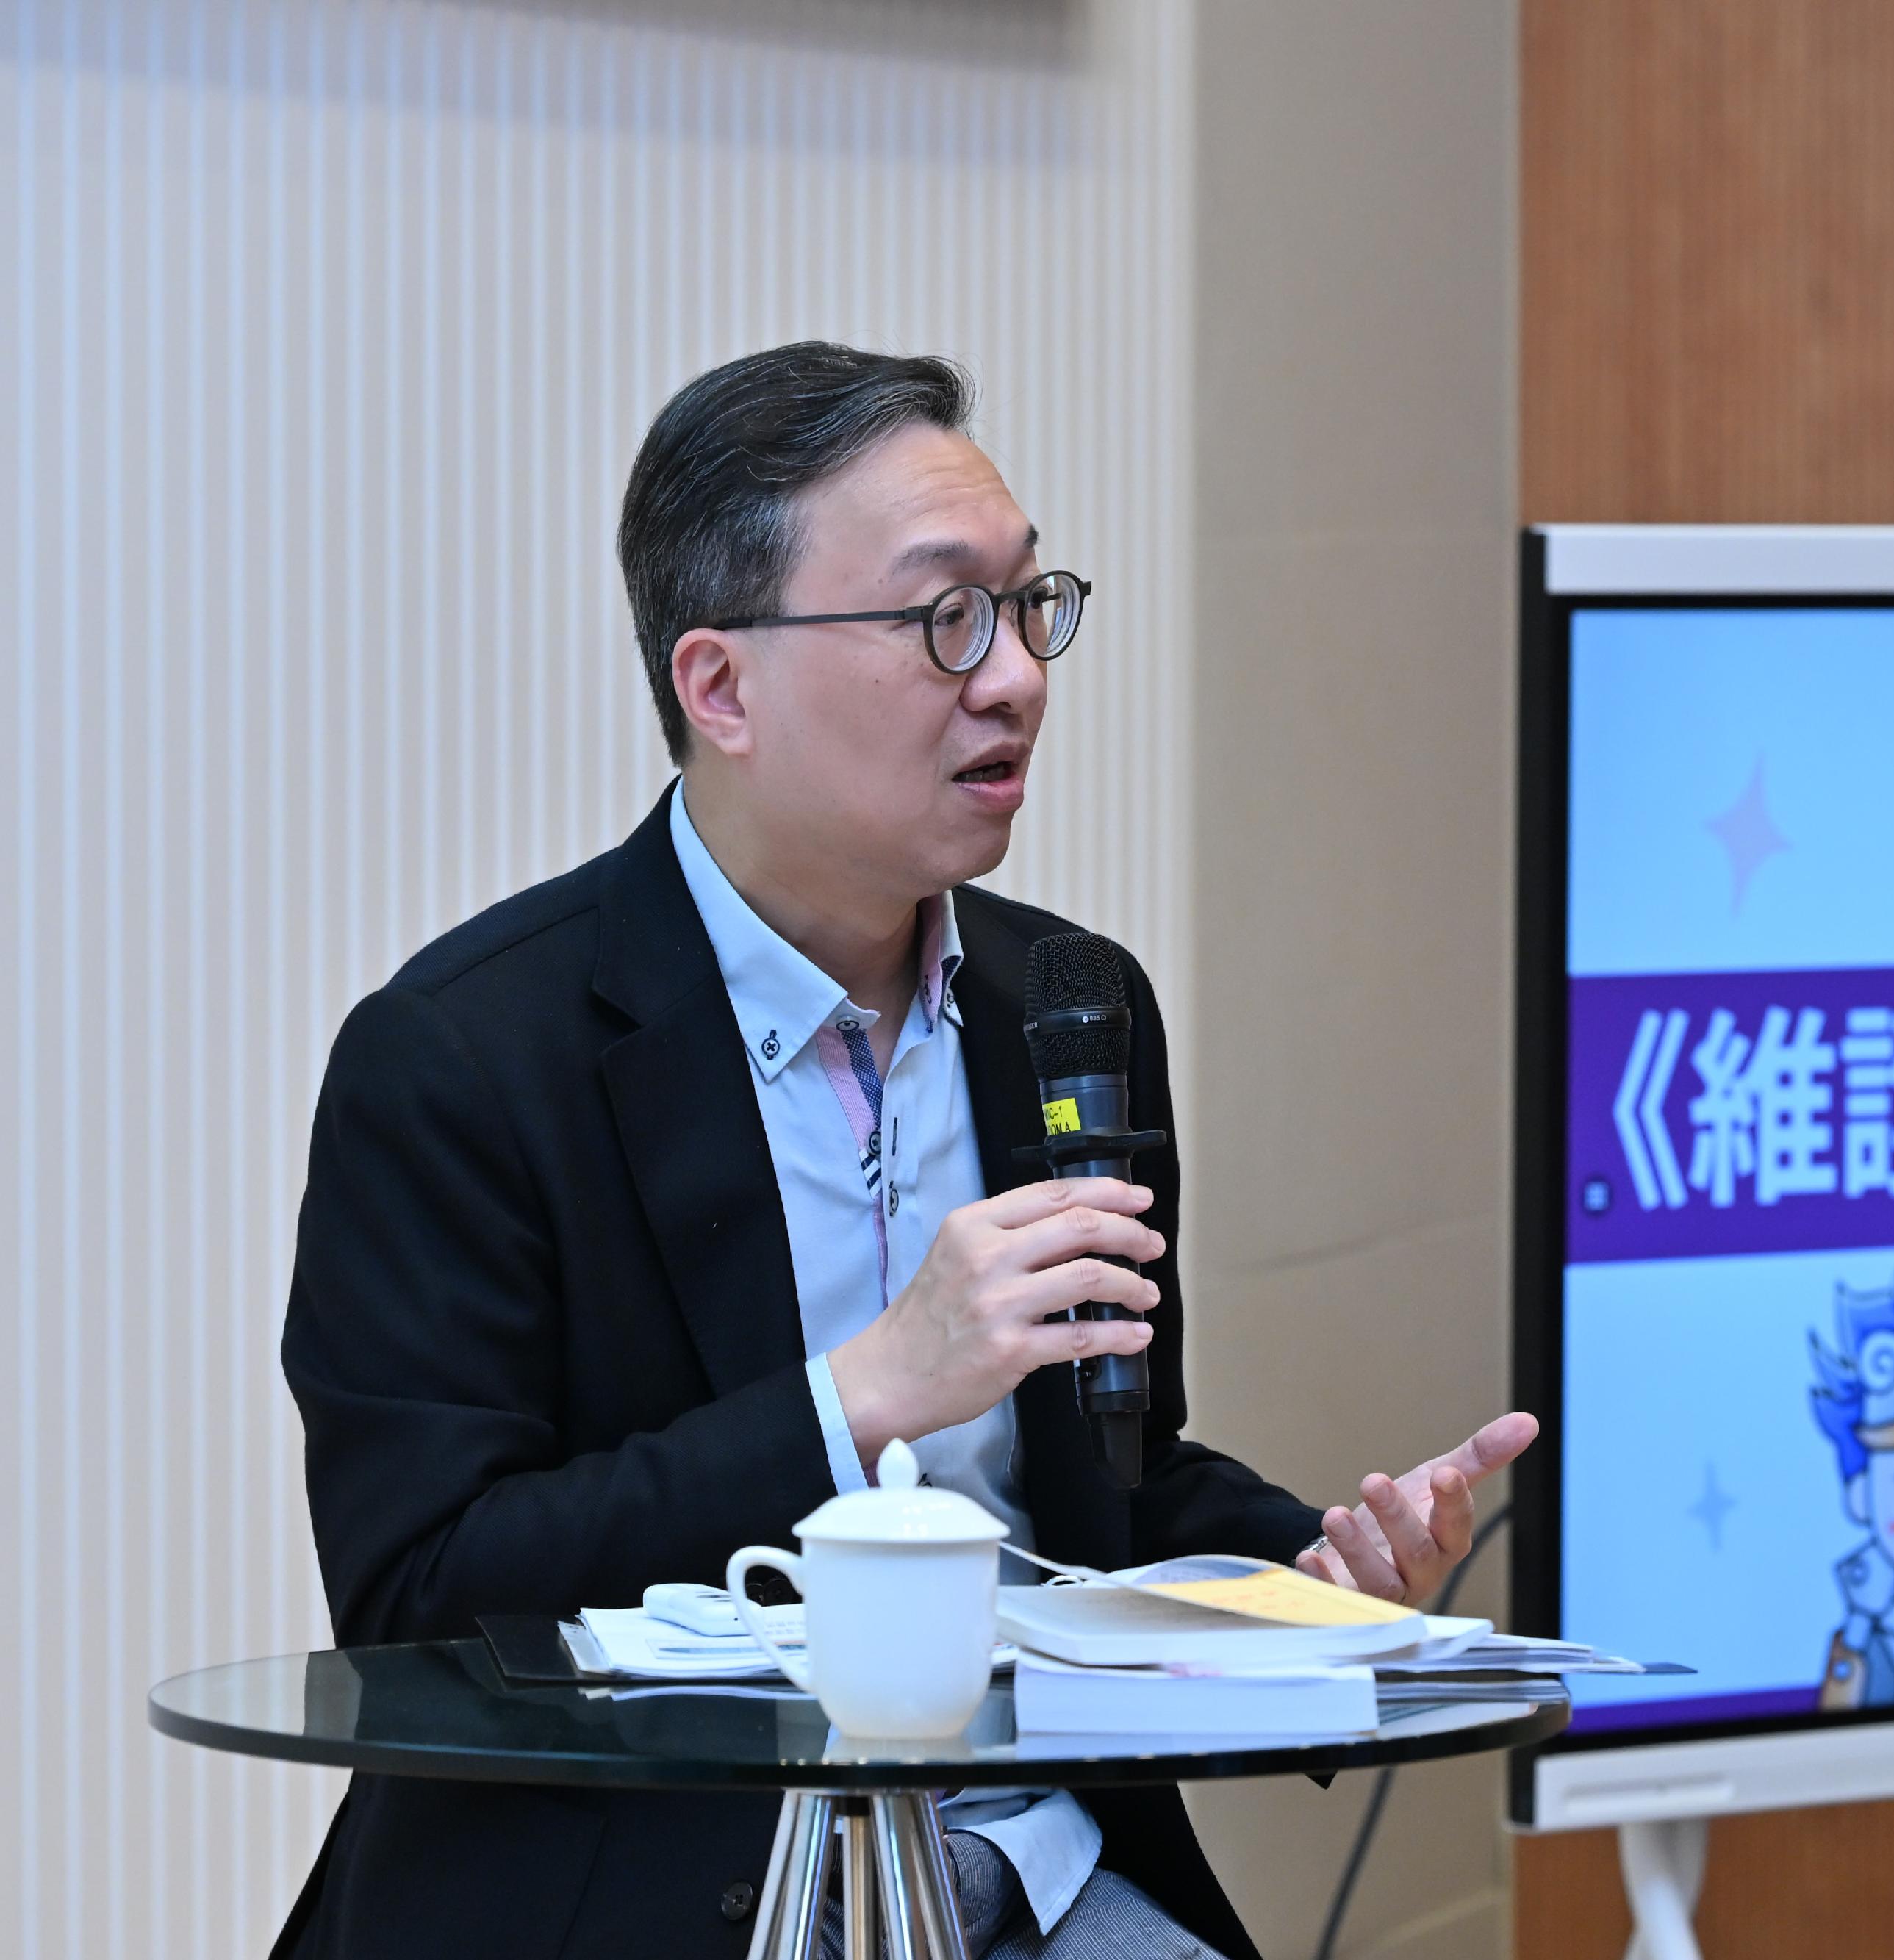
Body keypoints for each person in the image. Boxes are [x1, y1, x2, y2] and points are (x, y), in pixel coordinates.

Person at [276, 341, 1535, 1960]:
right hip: (654, 1887)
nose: (1011, 674)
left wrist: (1300, 1566)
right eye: (943, 618)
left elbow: (1096, 1486)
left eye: (1028, 605)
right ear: (719, 685)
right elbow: (421, 1599)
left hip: (1023, 1871)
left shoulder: (1066, 1004)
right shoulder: (465, 1056)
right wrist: (860, 1391)